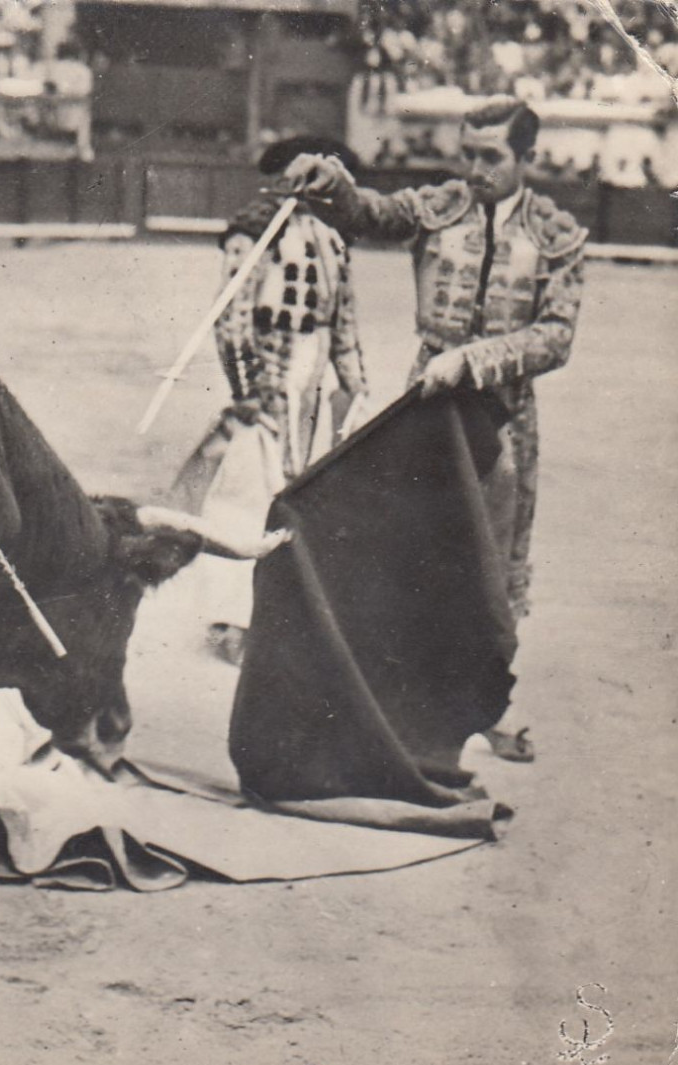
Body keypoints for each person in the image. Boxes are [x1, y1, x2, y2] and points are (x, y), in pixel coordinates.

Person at [283, 96, 587, 763]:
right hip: (426, 407)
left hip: (503, 415)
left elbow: (557, 337)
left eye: (491, 157)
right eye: (467, 154)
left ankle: (491, 706)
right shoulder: (439, 206)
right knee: (414, 552)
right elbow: (370, 215)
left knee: (494, 562)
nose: (474, 170)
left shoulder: (556, 233)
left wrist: (474, 359)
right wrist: (331, 183)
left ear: (527, 159)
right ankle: (412, 704)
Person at [173, 136, 370, 667]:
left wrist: (355, 387)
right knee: (242, 497)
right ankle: (228, 621)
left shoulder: (333, 240)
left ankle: (280, 615)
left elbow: (342, 324)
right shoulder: (252, 233)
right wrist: (250, 393)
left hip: (311, 384)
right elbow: (233, 321)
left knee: (300, 494)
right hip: (268, 381)